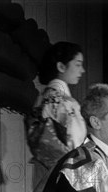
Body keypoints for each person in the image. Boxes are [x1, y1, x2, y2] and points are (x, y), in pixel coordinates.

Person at [26, 41, 87, 181]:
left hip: (43, 170)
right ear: (61, 66)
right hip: (64, 172)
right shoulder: (64, 102)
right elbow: (74, 143)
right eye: (77, 64)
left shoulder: (43, 98)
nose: (82, 70)